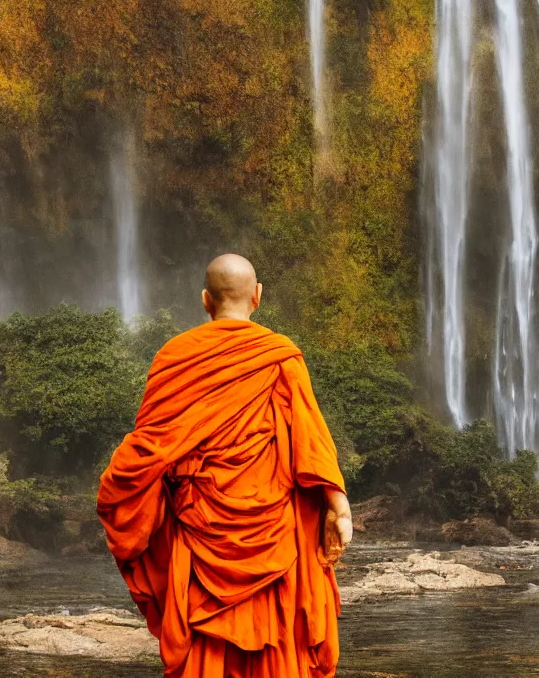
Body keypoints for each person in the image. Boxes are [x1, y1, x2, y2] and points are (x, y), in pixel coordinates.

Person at [98, 254, 352, 677]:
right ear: (257, 296)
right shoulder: (280, 358)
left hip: (201, 538)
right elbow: (312, 443)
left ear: (205, 300)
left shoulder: (174, 358)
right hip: (273, 538)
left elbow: (145, 455)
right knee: (279, 649)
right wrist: (338, 505)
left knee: (206, 649)